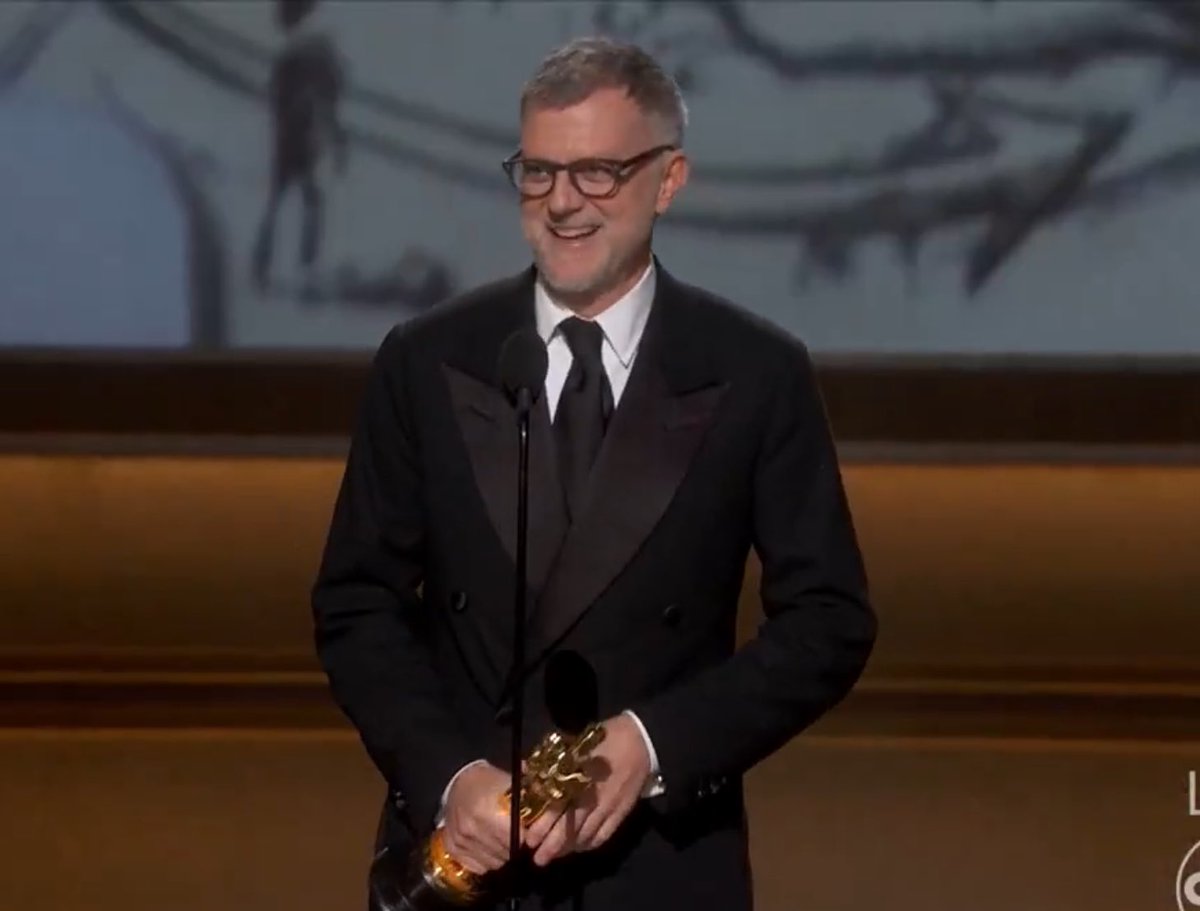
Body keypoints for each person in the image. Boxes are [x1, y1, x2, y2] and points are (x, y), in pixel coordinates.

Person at [311, 36, 876, 911]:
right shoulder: (428, 359)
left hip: (659, 868)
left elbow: (830, 621)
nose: (562, 203)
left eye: (598, 173)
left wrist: (652, 744)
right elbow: (356, 605)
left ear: (670, 178)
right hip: (465, 860)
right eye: (537, 173)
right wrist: (450, 776)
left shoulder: (755, 372)